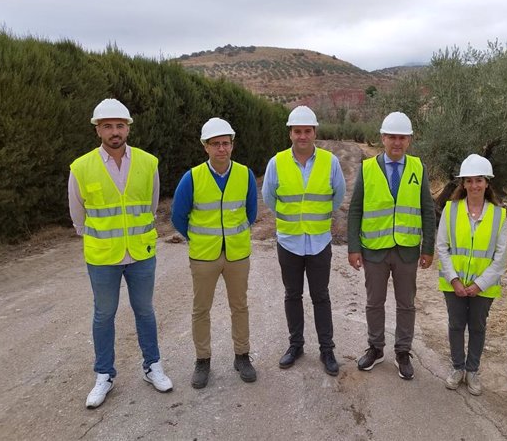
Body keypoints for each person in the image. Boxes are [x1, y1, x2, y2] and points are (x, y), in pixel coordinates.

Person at [69, 98, 173, 409]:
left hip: (141, 252)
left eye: (120, 125)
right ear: (98, 130)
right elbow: (78, 214)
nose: (115, 131)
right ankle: (104, 374)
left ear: (127, 128)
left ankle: (152, 366)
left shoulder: (147, 162)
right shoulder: (81, 167)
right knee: (103, 315)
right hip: (103, 257)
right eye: (108, 126)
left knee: (145, 311)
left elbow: (151, 205)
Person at [347, 112, 436, 380]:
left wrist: (428, 247)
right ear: (383, 138)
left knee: (406, 304)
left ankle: (403, 352)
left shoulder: (418, 168)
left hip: (407, 250)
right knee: (374, 302)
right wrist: (353, 247)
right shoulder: (367, 168)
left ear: (409, 140)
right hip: (374, 250)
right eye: (392, 137)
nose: (396, 142)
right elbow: (356, 210)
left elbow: (427, 210)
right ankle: (376, 348)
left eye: (402, 137)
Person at [171, 118, 258, 388]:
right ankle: (202, 361)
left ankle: (242, 356)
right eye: (215, 144)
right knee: (201, 309)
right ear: (205, 147)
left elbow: (251, 213)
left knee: (239, 306)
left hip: (237, 255)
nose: (222, 149)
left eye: (226, 143)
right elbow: (178, 216)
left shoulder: (245, 174)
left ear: (232, 145)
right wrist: (197, 239)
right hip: (204, 256)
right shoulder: (192, 177)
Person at [262, 106, 346, 376]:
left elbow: (338, 195)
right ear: (290, 133)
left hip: (320, 241)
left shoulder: (330, 162)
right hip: (289, 242)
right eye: (297, 131)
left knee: (321, 296)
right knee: (292, 294)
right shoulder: (276, 163)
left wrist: (317, 217)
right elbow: (269, 198)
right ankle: (295, 345)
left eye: (307, 131)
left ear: (314, 133)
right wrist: (290, 219)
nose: (302, 136)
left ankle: (327, 349)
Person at [436, 154, 507, 396]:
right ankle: (457, 368)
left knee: (477, 327)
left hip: (483, 288)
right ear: (463, 184)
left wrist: (479, 284)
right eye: (469, 181)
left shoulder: (499, 215)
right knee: (456, 325)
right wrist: (454, 279)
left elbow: (500, 257)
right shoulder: (451, 209)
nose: (474, 186)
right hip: (453, 283)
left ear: (487, 183)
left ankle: (472, 370)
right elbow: (442, 247)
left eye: (479, 180)